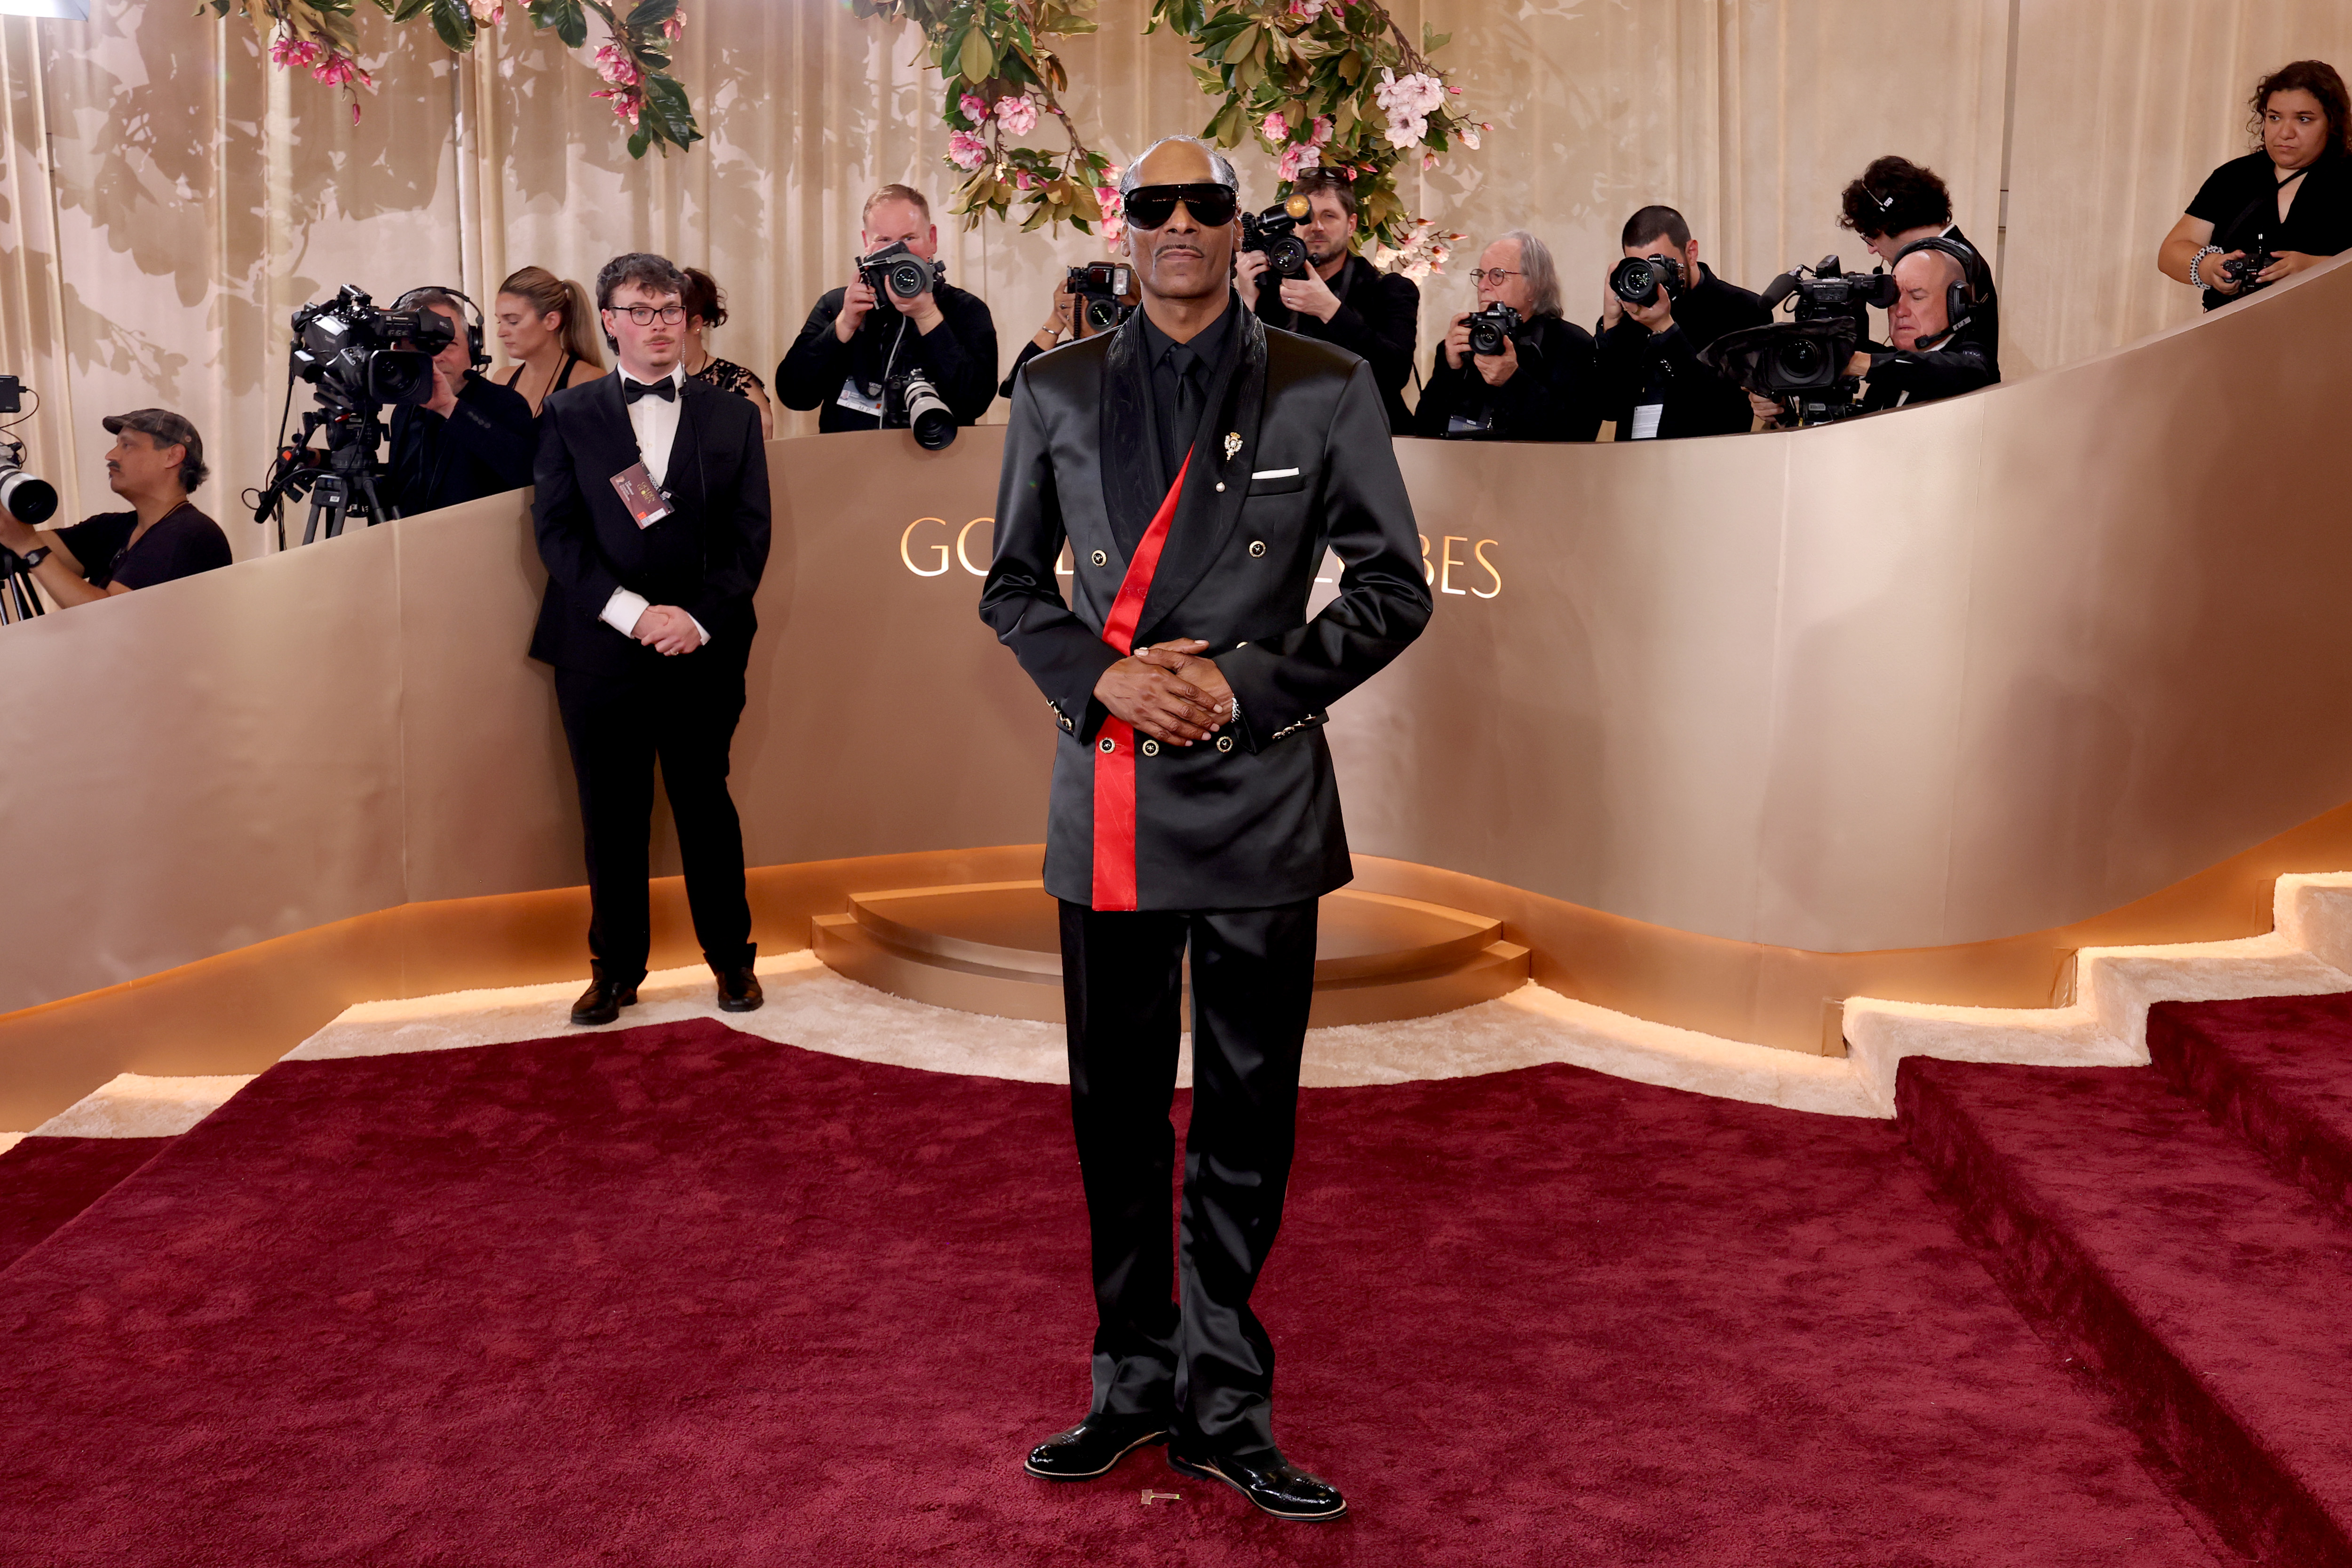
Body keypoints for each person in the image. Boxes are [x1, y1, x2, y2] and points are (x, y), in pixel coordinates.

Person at [981, 134, 1431, 1524]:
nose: (1178, 226)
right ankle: (1129, 1373)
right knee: (1114, 1106)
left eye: (1204, 206)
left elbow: (1391, 590)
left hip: (1256, 794)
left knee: (1244, 1109)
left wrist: (1235, 688)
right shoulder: (1052, 388)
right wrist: (1101, 673)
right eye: (1152, 206)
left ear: (1242, 228)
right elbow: (1011, 588)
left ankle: (1224, 1395)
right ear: (1123, 230)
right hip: (1111, 786)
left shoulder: (1325, 383)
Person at [528, 253, 772, 1027]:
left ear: (688, 319)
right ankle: (616, 969)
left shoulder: (730, 412)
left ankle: (733, 960)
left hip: (704, 644)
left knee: (706, 803)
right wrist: (633, 613)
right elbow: (558, 534)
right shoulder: (571, 415)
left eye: (670, 309)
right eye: (640, 310)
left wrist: (693, 618)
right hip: (600, 647)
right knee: (611, 813)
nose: (658, 324)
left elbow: (749, 534)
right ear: (609, 319)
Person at [775, 184, 999, 432]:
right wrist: (845, 325)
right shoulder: (837, 306)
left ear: (932, 239)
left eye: (909, 238)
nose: (898, 251)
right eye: (884, 240)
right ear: (866, 243)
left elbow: (975, 402)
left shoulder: (965, 309)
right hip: (849, 463)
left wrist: (928, 317)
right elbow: (795, 396)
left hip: (936, 465)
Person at [1234, 167, 1420, 432]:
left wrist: (1331, 311)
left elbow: (1394, 376)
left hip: (1367, 436)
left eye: (1329, 216)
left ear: (1351, 224)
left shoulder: (1389, 290)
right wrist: (1247, 302)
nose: (1317, 227)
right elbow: (1239, 379)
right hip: (1288, 438)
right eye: (1307, 217)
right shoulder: (1268, 287)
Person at [2161, 59, 2352, 309]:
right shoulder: (2233, 177)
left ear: (2332, 124)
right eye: (2274, 118)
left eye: (2304, 120)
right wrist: (2210, 267)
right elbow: (2171, 252)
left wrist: (2313, 269)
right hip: (2230, 336)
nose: (2285, 132)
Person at [0, 409, 228, 607]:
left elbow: (108, 616)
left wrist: (29, 547)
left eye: (127, 445)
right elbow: (15, 548)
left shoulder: (190, 533)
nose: (111, 455)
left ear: (173, 456)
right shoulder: (112, 528)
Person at [1592, 204, 1768, 440]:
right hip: (1634, 464)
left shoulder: (1743, 309)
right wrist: (1611, 323)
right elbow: (1609, 406)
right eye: (1641, 267)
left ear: (1691, 253)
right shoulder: (1632, 314)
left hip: (1706, 464)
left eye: (1659, 263)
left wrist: (1665, 329)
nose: (1650, 278)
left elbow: (1723, 409)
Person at [1414, 230, 1599, 441]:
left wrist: (1513, 380)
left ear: (1534, 286)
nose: (1483, 286)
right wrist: (1451, 370)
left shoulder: (1571, 344)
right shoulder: (1464, 342)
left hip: (1539, 471)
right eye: (1481, 275)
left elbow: (1578, 435)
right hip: (1463, 469)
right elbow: (1424, 429)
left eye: (1498, 275)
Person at [1836, 155, 2001, 377]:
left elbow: (1962, 366)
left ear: (1885, 224)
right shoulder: (1957, 253)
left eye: (1869, 236)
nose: (1872, 249)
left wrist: (1864, 363)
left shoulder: (1954, 263)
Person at [384, 288, 537, 516]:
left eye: (449, 344)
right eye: (423, 347)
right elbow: (400, 483)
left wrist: (450, 407)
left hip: (476, 546)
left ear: (472, 348)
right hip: (411, 547)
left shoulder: (505, 403)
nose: (437, 357)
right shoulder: (404, 412)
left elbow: (527, 472)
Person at [1000, 257, 1136, 400]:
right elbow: (1014, 390)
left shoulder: (1145, 354)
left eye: (1117, 310)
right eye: (1095, 308)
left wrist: (1092, 345)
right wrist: (1056, 320)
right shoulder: (1069, 354)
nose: (1105, 317)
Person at [493, 266, 606, 417]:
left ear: (551, 321)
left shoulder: (589, 382)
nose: (501, 333)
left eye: (513, 321)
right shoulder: (502, 379)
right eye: (500, 322)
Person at [679, 268, 775, 440]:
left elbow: (760, 448)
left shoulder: (738, 382)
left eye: (671, 314)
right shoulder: (645, 381)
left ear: (696, 325)